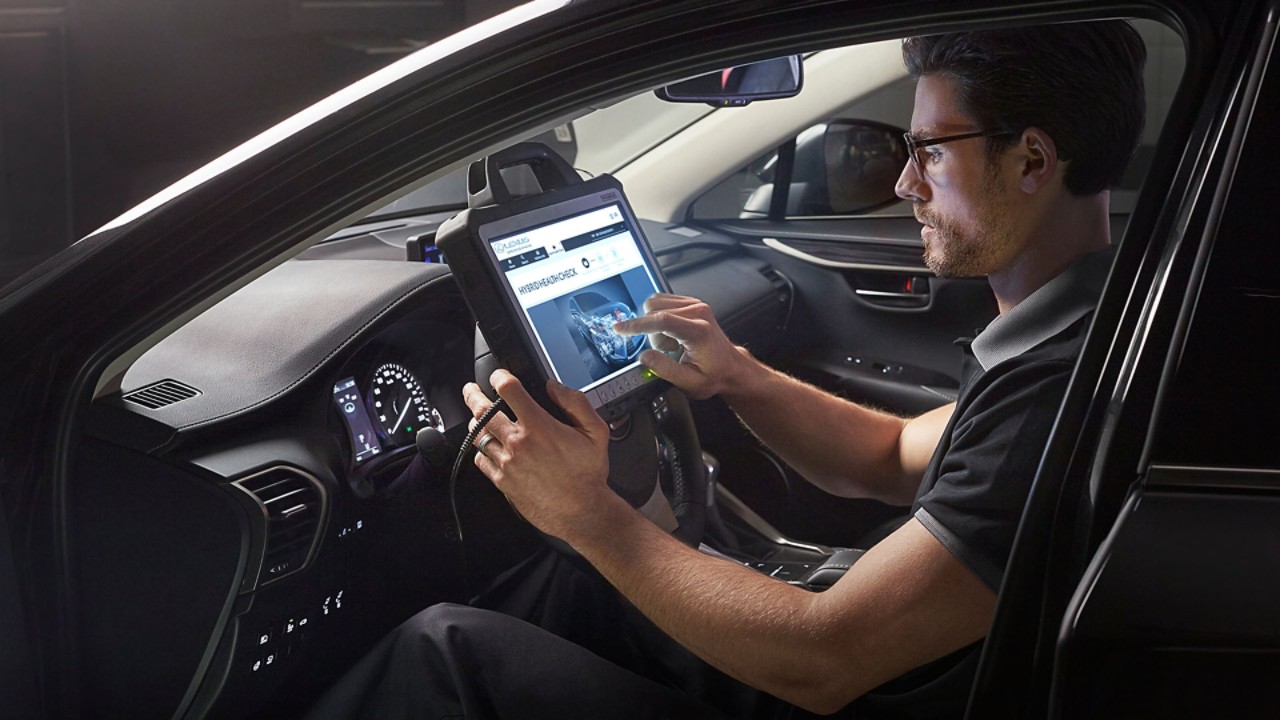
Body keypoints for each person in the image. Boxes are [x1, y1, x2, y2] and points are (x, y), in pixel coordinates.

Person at [306, 20, 1145, 720]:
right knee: (575, 586)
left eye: (927, 151)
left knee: (446, 650)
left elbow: (823, 659)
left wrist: (586, 513)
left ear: (1032, 161)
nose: (902, 182)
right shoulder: (1098, 326)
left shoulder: (1056, 394)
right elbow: (894, 457)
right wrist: (737, 375)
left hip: (858, 686)